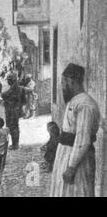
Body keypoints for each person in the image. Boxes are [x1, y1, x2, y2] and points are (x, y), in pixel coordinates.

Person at [50, 63, 101, 197]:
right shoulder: (74, 101)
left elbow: (82, 139)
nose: (62, 86)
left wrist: (71, 167)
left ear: (71, 81)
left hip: (78, 162)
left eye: (63, 82)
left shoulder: (85, 104)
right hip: (65, 155)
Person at [1, 73, 23, 150]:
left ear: (12, 80)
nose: (8, 82)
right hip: (12, 110)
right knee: (13, 127)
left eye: (9, 80)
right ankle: (14, 144)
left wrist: (5, 98)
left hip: (13, 110)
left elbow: (4, 95)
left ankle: (15, 145)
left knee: (13, 127)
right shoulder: (14, 87)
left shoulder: (15, 88)